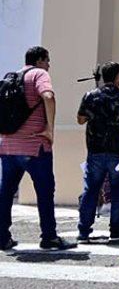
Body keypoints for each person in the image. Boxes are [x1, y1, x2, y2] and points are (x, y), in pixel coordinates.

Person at [0, 46, 76, 250]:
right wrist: (50, 129)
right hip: (34, 146)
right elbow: (48, 97)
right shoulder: (38, 74)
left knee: (5, 192)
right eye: (48, 60)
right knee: (44, 191)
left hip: (8, 147)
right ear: (40, 60)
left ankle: (2, 236)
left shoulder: (12, 77)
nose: (49, 64)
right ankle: (49, 237)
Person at [76, 61, 119, 243]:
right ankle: (116, 228)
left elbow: (81, 119)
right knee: (118, 191)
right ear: (118, 77)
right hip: (118, 151)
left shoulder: (91, 96)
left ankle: (84, 230)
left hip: (96, 150)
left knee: (91, 190)